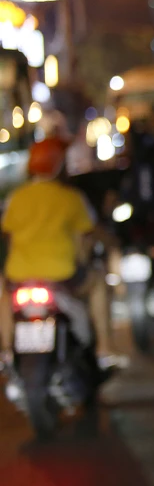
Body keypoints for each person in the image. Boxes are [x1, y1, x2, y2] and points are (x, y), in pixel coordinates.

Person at [0, 138, 113, 368]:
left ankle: (6, 351)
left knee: (4, 297)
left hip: (20, 276)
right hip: (63, 276)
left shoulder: (15, 199)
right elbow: (86, 238)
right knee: (99, 283)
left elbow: (9, 239)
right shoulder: (71, 198)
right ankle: (103, 349)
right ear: (60, 166)